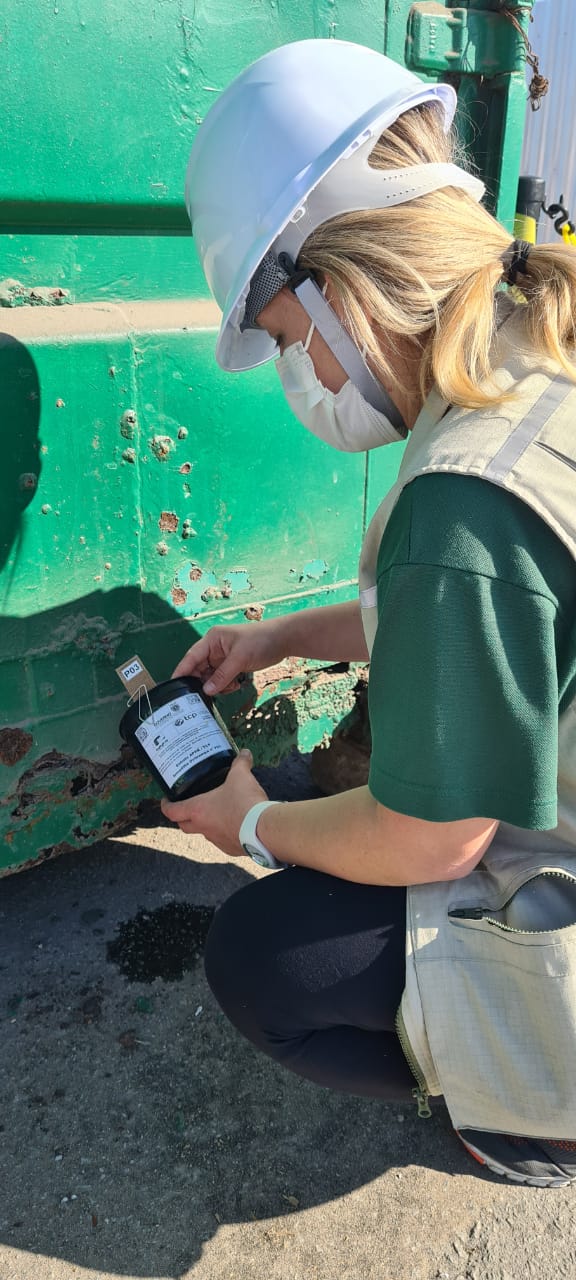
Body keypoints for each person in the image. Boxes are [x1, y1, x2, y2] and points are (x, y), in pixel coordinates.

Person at [161, 39, 576, 1187]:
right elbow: (499, 622)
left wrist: (250, 822)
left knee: (267, 956)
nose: (307, 381)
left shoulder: (462, 495)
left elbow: (431, 837)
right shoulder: (534, 348)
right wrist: (285, 636)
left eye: (292, 344)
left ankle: (536, 1110)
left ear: (338, 286)